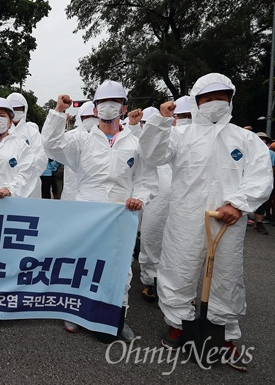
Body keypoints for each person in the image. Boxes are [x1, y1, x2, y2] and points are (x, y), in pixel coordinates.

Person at [138, 72, 273, 371]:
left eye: (221, 97)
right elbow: (151, 154)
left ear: (231, 100)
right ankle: (177, 324)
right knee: (179, 269)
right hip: (186, 216)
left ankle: (224, 335)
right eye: (208, 98)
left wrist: (238, 204)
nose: (215, 103)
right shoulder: (179, 135)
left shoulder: (245, 138)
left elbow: (261, 176)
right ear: (197, 102)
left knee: (227, 277)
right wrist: (161, 121)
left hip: (228, 221)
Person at [41, 80, 157, 343]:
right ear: (94, 108)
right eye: (102, 103)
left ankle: (117, 317)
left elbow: (147, 178)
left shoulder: (135, 142)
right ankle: (75, 312)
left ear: (124, 108)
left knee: (120, 267)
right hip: (88, 211)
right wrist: (59, 112)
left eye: (114, 102)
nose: (108, 108)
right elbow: (50, 145)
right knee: (83, 263)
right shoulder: (82, 138)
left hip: (121, 212)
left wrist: (139, 197)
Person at [137, 98, 191, 302]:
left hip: (165, 192)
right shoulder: (171, 132)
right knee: (179, 242)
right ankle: (173, 285)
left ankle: (153, 280)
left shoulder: (182, 134)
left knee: (156, 237)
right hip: (166, 191)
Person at [252, 132, 275, 234]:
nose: (262, 141)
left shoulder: (271, 153)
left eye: (264, 139)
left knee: (262, 201)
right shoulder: (249, 151)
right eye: (260, 138)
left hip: (264, 180)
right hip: (250, 179)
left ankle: (259, 223)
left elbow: (272, 168)